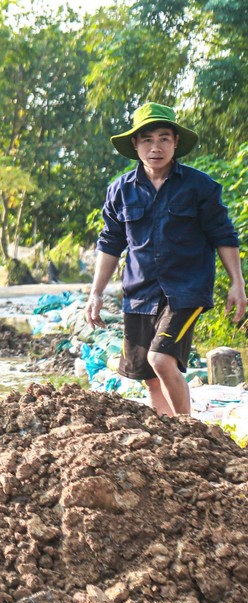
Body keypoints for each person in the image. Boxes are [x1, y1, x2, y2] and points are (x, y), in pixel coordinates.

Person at [85, 102, 246, 416]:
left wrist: (237, 284)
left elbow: (223, 235)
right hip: (139, 293)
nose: (155, 147)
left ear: (175, 143)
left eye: (163, 138)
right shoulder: (120, 191)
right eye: (147, 140)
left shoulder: (200, 187)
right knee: (147, 375)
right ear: (135, 144)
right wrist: (96, 293)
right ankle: (166, 434)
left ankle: (188, 431)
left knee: (161, 360)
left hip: (185, 290)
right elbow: (110, 243)